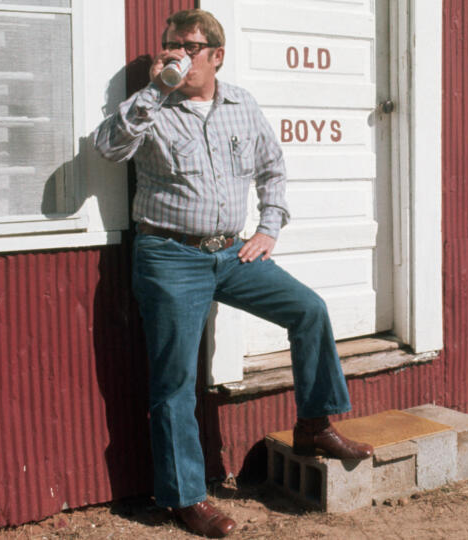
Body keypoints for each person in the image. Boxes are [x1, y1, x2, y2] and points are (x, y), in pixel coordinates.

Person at [93, 9, 373, 538]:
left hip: (233, 253)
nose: (176, 54)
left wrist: (268, 227)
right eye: (169, 45)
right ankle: (185, 498)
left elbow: (272, 168)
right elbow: (108, 147)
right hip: (170, 258)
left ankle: (315, 425)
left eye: (189, 47)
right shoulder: (151, 106)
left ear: (217, 55)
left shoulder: (242, 104)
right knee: (175, 381)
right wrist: (155, 89)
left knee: (308, 309)